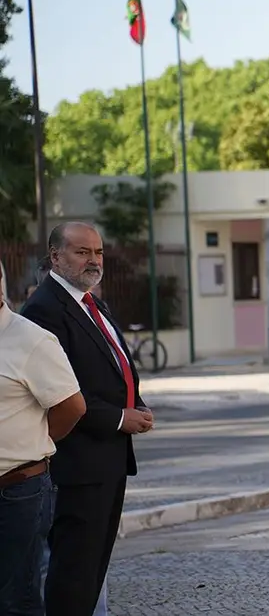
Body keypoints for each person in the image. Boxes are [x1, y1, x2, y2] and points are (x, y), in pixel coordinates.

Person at [21, 222, 154, 616]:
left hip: (108, 458)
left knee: (94, 566)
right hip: (78, 462)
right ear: (55, 257)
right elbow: (58, 394)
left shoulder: (91, 301)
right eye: (82, 252)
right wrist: (117, 418)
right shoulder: (45, 310)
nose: (93, 260)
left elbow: (113, 367)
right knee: (74, 570)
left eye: (97, 252)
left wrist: (137, 403)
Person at [0, 261, 85, 616]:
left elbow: (71, 407)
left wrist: (34, 441)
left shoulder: (31, 339)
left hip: (17, 490)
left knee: (15, 598)